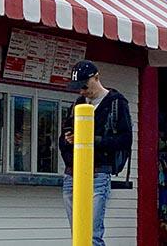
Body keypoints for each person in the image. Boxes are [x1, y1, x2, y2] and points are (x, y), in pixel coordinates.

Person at [58, 60, 133, 246]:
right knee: (79, 234)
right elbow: (62, 138)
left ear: (96, 78)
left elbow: (126, 140)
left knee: (92, 234)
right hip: (72, 173)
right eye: (78, 87)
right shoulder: (78, 103)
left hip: (98, 171)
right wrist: (69, 144)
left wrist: (90, 141)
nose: (82, 91)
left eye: (84, 86)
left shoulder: (117, 103)